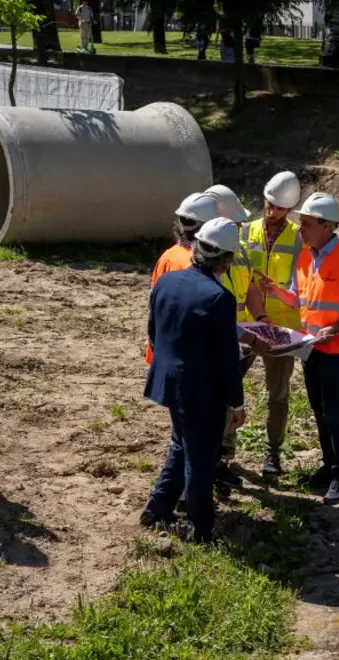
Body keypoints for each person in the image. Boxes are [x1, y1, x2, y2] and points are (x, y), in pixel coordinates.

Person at [257, 193, 339, 505]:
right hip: (311, 347)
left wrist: (333, 330)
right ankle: (327, 465)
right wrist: (276, 291)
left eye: (306, 224)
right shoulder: (306, 257)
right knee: (318, 408)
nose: (300, 230)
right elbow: (299, 298)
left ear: (327, 226)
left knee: (334, 410)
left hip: (338, 348)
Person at [141, 218, 247, 542]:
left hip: (168, 382)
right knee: (200, 460)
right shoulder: (220, 299)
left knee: (180, 444)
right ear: (226, 260)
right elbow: (228, 360)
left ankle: (157, 508)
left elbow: (153, 333)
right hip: (202, 393)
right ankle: (199, 531)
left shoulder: (166, 283)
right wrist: (237, 402)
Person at [239, 171, 304, 477]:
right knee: (229, 386)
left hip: (281, 329)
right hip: (246, 324)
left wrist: (278, 292)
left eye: (279, 207)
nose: (271, 210)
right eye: (269, 203)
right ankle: (224, 451)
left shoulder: (299, 238)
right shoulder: (246, 232)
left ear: (289, 209)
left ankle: (272, 454)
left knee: (277, 395)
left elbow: (303, 287)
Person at [206, 184, 270, 487]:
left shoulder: (241, 251)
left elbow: (252, 289)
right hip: (219, 343)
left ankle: (223, 457)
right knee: (217, 404)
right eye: (237, 225)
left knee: (230, 401)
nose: (241, 229)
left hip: (242, 342)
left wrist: (261, 319)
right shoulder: (202, 259)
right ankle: (212, 462)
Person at [146, 191, 221, 365]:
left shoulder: (168, 255)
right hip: (187, 353)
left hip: (163, 345)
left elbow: (153, 302)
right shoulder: (199, 263)